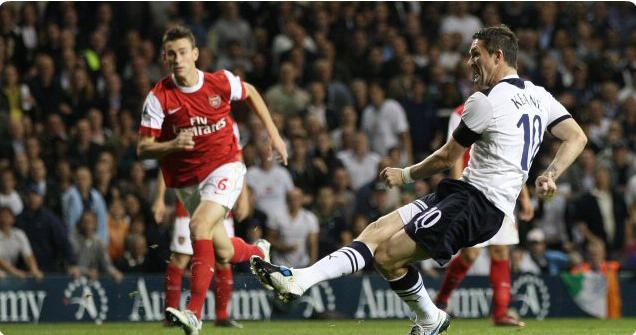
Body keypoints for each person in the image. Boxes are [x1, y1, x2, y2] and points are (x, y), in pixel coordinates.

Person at [250, 25, 587, 335]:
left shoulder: (485, 101)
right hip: (465, 192)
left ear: (497, 56)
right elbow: (576, 137)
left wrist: (405, 174)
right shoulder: (539, 95)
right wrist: (550, 174)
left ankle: (431, 319)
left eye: (476, 54)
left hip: (478, 204)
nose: (470, 61)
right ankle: (300, 280)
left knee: (387, 256)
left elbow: (445, 157)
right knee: (376, 231)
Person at [136, 25, 286, 335]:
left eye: (182, 53)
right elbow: (143, 148)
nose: (177, 59)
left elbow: (252, 93)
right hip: (187, 183)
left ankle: (194, 314)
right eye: (171, 54)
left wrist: (273, 134)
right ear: (165, 58)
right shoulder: (158, 98)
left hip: (225, 167)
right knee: (225, 251)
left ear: (195, 54)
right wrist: (173, 145)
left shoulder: (219, 82)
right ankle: (258, 252)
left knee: (199, 227)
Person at [433, 103, 534, 327]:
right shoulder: (460, 113)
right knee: (470, 255)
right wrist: (458, 192)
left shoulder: (506, 109)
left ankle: (501, 313)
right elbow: (455, 155)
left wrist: (524, 196)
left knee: (500, 250)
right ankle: (441, 300)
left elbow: (512, 159)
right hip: (474, 189)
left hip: (502, 191)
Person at [153, 172, 266, 329]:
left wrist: (243, 195)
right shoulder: (180, 147)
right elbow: (165, 164)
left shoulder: (228, 151)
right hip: (189, 202)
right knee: (181, 258)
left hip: (220, 198)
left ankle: (221, 316)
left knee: (224, 258)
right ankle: (173, 314)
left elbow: (238, 161)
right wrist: (160, 198)